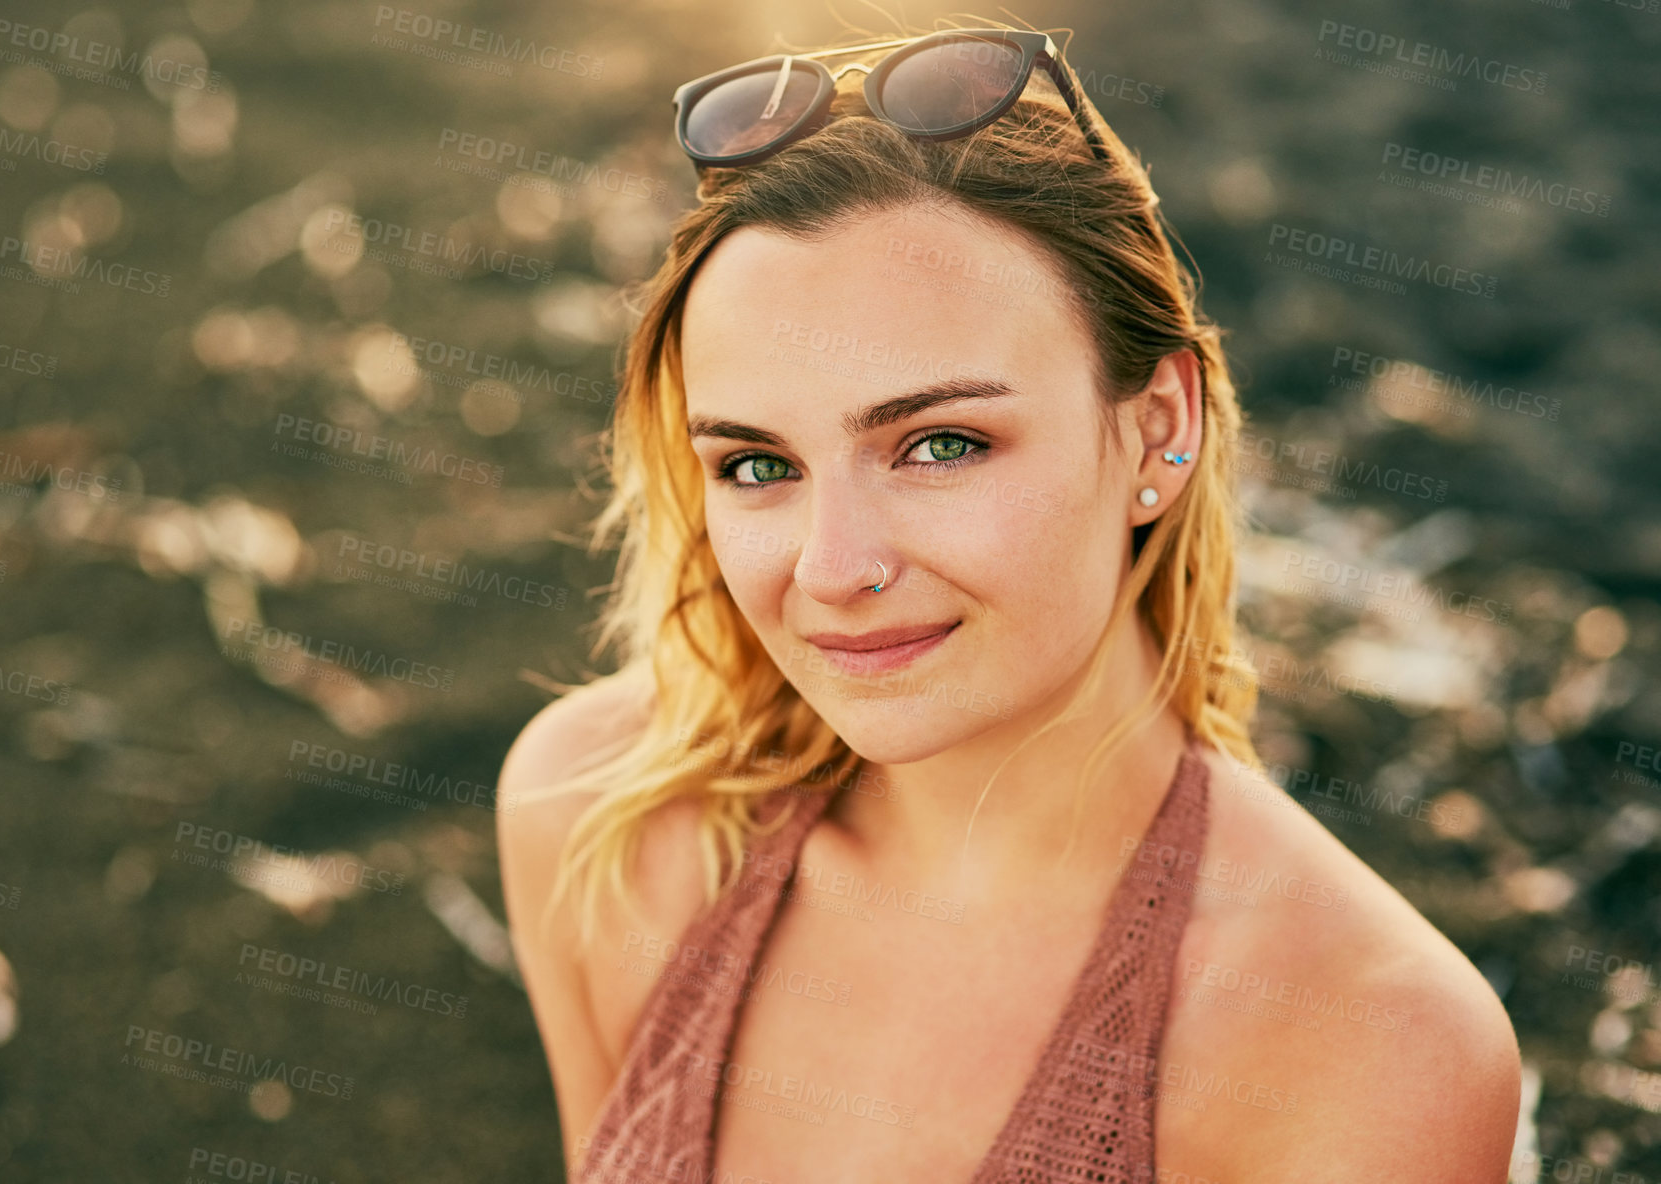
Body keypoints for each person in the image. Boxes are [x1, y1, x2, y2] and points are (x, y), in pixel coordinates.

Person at [496, 21, 1522, 1183]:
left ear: (1157, 427)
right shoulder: (603, 819)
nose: (832, 568)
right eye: (756, 464)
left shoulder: (1366, 1049)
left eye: (938, 442)